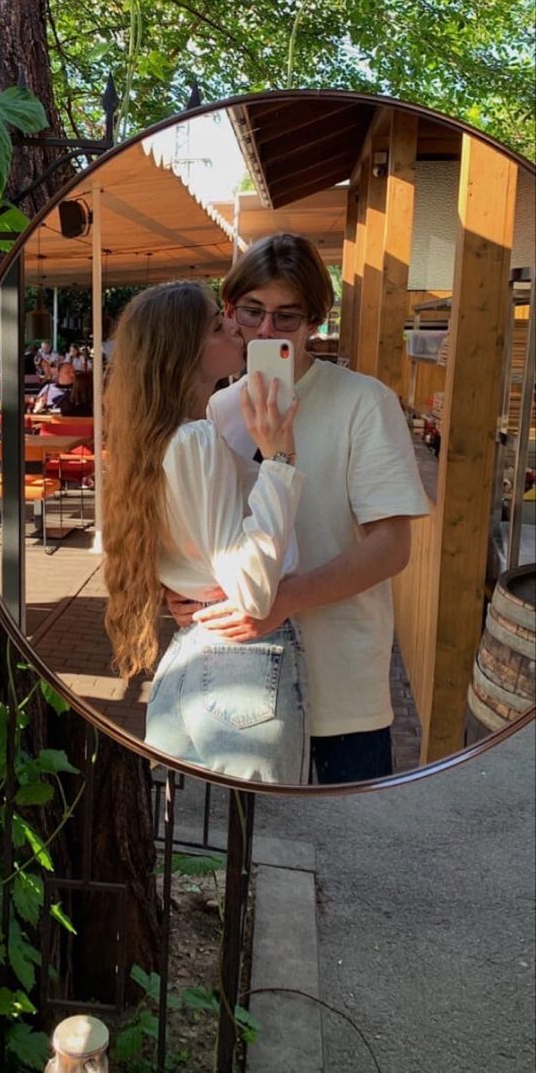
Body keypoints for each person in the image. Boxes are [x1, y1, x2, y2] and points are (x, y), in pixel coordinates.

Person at [168, 233, 429, 785]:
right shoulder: (217, 406)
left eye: (286, 318)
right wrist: (182, 586)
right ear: (229, 308)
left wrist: (282, 601)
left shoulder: (365, 401)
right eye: (251, 312)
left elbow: (391, 546)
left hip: (341, 687)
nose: (265, 331)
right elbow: (209, 528)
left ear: (316, 321)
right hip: (237, 678)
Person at [103, 281, 309, 783]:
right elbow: (253, 592)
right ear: (185, 353)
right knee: (248, 847)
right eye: (219, 325)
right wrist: (280, 457)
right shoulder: (194, 440)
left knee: (191, 846)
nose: (237, 328)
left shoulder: (159, 439)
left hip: (192, 655)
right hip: (243, 661)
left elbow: (193, 553)